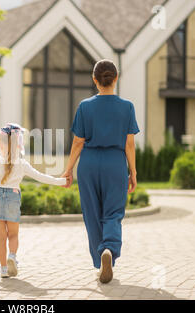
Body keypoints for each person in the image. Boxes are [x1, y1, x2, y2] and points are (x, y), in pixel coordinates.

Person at [62, 59, 139, 284]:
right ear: (116, 79)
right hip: (115, 163)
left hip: (89, 163)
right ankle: (109, 248)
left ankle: (100, 260)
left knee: (92, 214)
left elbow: (78, 142)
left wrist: (68, 170)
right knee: (113, 212)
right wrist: (132, 171)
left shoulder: (85, 106)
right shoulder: (127, 107)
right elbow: (130, 145)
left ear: (94, 80)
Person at [0, 123, 67, 278]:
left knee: (0, 237)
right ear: (18, 144)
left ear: (0, 143)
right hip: (13, 196)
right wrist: (61, 181)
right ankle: (12, 256)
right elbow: (41, 177)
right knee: (13, 234)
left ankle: (3, 269)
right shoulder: (22, 164)